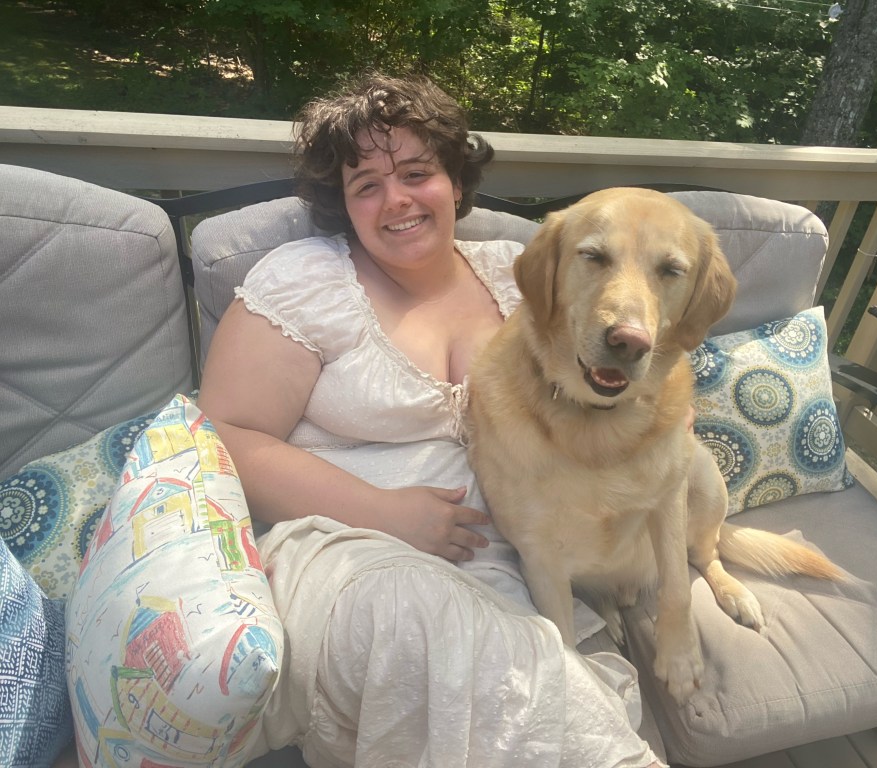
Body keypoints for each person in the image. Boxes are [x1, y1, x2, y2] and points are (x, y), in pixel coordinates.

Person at [198, 70, 665, 768]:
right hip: (345, 560)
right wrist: (384, 512)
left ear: (452, 179)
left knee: (533, 676)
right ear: (344, 205)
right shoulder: (306, 279)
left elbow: (610, 380)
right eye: (366, 185)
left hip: (510, 570)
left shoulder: (521, 275)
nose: (397, 200)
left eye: (416, 172)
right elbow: (225, 437)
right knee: (423, 613)